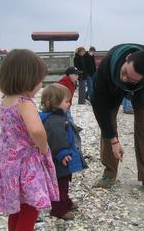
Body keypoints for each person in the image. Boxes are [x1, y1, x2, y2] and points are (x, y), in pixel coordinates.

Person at [91, 43, 144, 196]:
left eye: (130, 79)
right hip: (111, 85)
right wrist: (113, 139)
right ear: (127, 59)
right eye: (125, 72)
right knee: (108, 126)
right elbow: (98, 106)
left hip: (143, 90)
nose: (124, 78)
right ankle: (109, 173)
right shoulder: (106, 65)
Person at [0, 49, 59, 231]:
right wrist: (43, 147)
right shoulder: (25, 103)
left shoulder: (6, 101)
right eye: (39, 80)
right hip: (25, 162)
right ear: (27, 78)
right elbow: (36, 130)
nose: (41, 84)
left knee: (16, 207)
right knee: (30, 207)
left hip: (7, 162)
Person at [40, 83, 88, 220]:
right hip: (59, 158)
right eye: (67, 101)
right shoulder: (53, 121)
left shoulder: (59, 116)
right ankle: (58, 209)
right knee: (59, 184)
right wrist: (62, 153)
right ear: (55, 103)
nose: (69, 104)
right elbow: (56, 139)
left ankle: (65, 202)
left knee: (65, 182)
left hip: (63, 156)